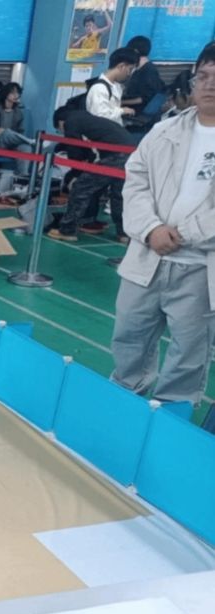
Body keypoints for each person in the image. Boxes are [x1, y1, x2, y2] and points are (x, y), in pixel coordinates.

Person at [110, 42, 215, 408]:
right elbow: (135, 181)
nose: (209, 85)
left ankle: (171, 419)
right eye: (204, 76)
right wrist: (152, 229)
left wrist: (183, 235)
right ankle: (122, 408)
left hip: (200, 268)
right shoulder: (164, 131)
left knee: (189, 354)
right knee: (128, 338)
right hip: (147, 257)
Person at [47, 107, 133, 244]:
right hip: (132, 154)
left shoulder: (70, 121)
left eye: (59, 129)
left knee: (80, 187)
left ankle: (67, 230)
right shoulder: (87, 119)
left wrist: (75, 174)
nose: (62, 132)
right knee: (119, 195)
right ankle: (123, 233)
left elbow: (74, 149)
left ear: (60, 122)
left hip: (116, 156)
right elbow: (90, 149)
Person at [86, 48, 139, 124]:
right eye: (130, 69)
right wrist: (122, 111)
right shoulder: (99, 88)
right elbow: (100, 117)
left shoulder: (116, 85)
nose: (129, 74)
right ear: (121, 66)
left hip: (115, 127)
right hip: (104, 130)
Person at [122, 36, 165, 117]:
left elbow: (143, 99)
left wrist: (120, 102)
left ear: (135, 51)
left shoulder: (149, 71)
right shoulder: (139, 68)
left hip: (137, 113)